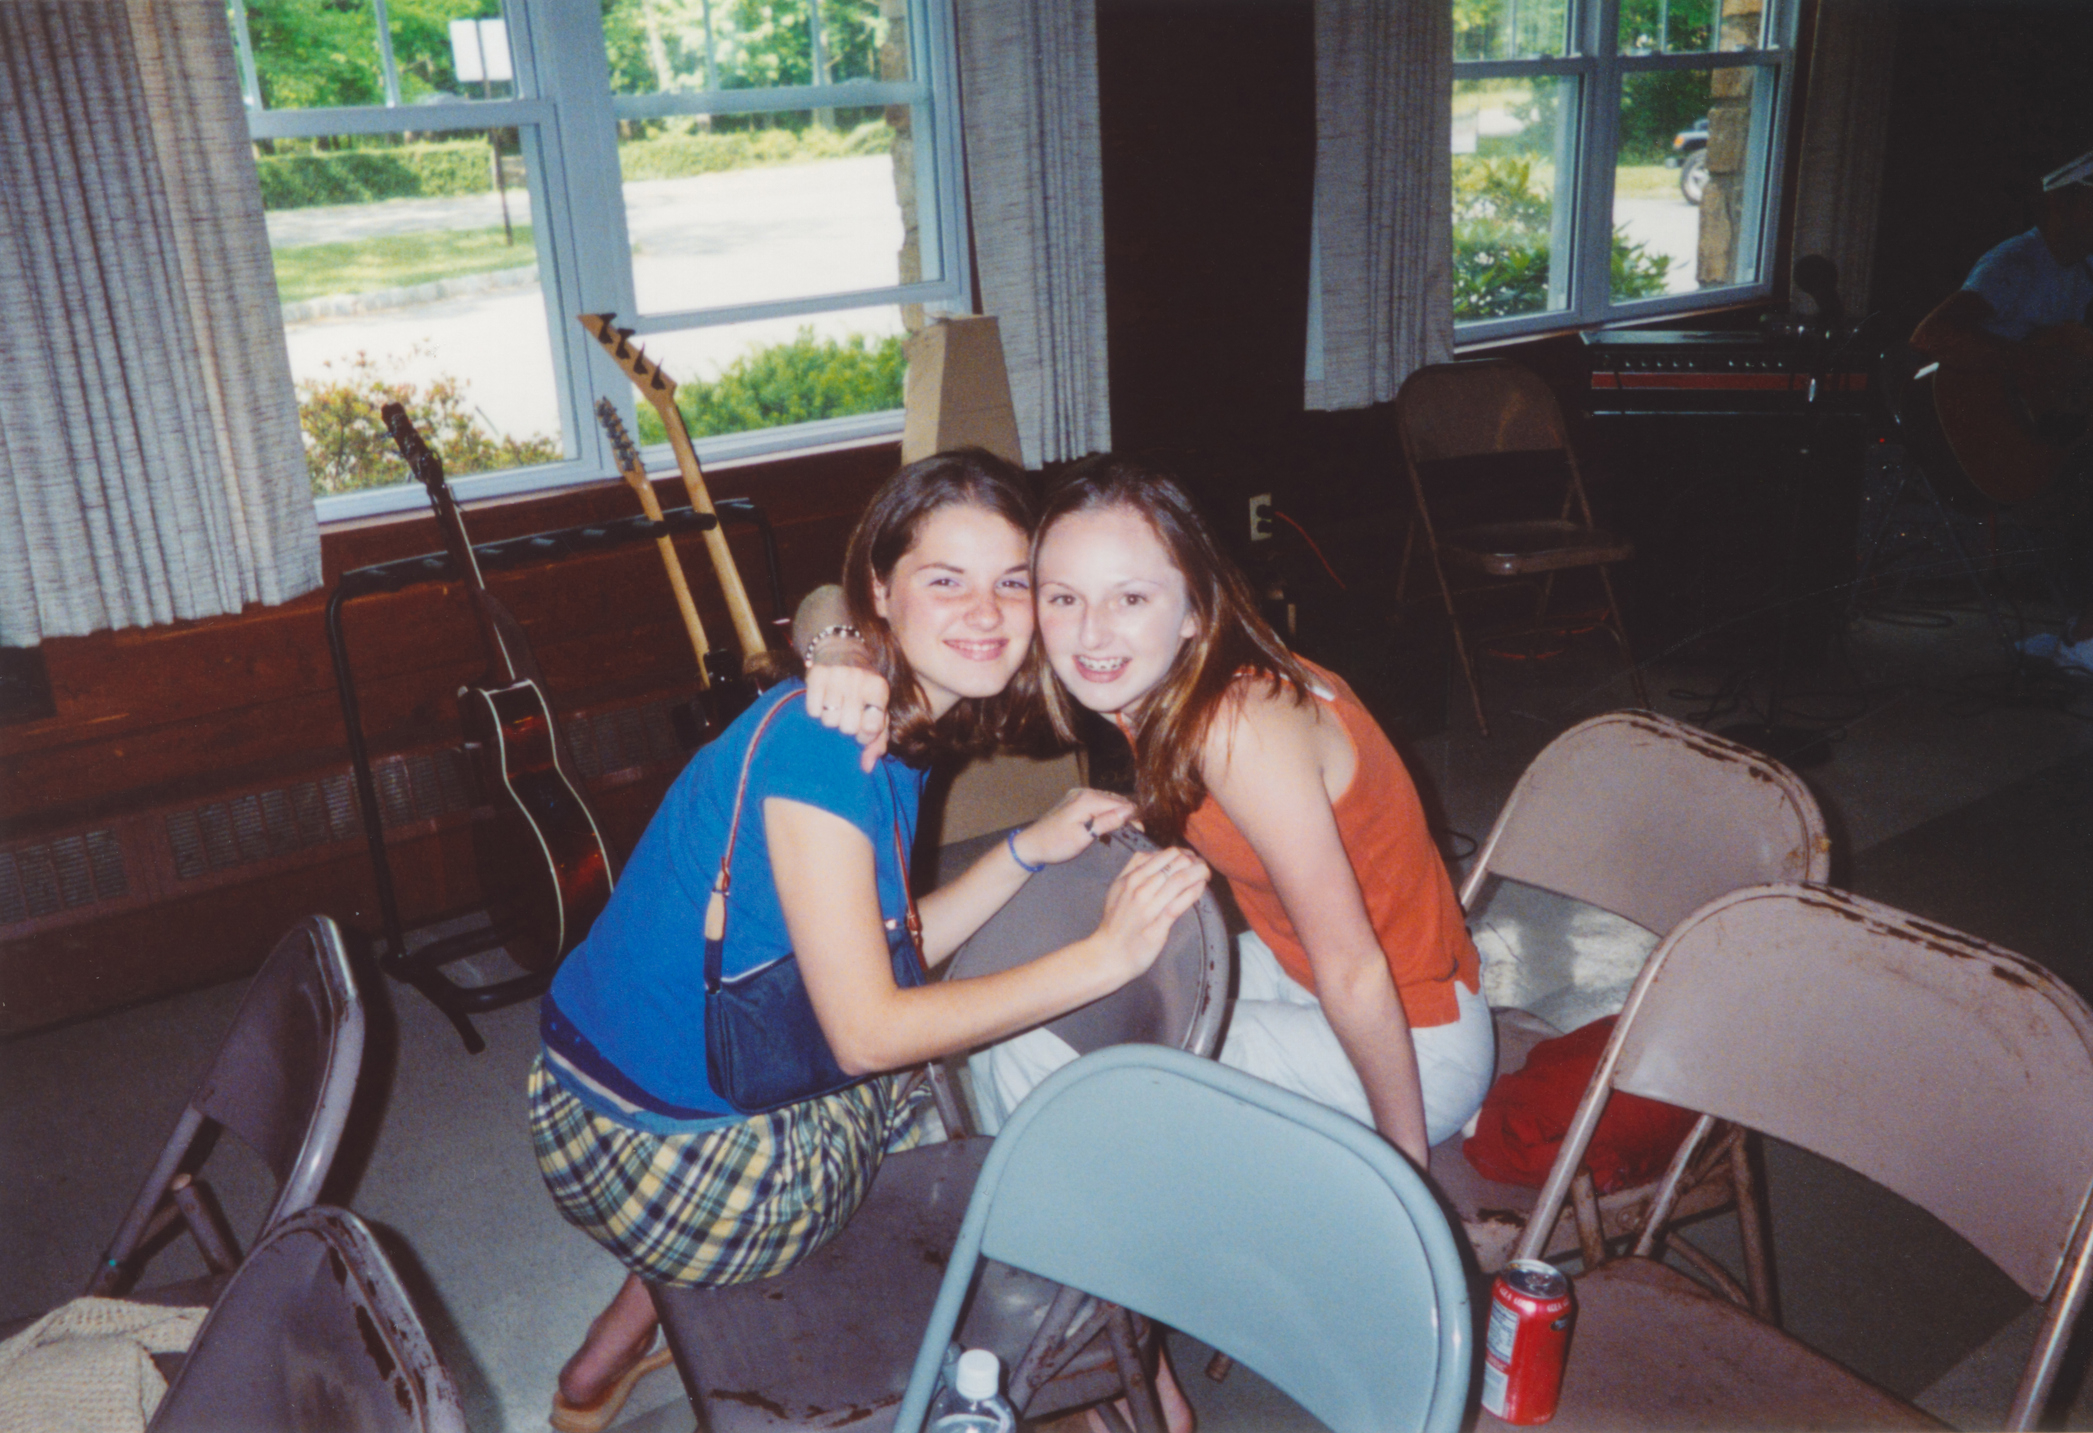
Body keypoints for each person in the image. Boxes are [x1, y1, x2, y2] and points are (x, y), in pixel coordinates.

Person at [530, 450, 1210, 1432]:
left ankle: (603, 1358)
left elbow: (883, 948)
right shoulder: (834, 747)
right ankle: (1092, 1394)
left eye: (1011, 582)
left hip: (600, 1096)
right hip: (675, 1165)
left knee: (925, 1066)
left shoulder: (871, 717)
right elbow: (864, 1032)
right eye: (946, 579)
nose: (984, 611)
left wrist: (1021, 847)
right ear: (883, 594)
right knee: (960, 1126)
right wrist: (1099, 959)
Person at [804, 457, 1492, 1168]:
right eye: (1063, 598)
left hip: (1411, 1041)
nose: (1092, 634)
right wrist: (840, 646)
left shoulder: (1235, 726)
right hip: (1301, 977)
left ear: (1194, 608)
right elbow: (830, 595)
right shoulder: (1162, 676)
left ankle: (1077, 1235)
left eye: (1130, 598)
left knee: (1086, 1074)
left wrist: (1407, 1169)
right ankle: (1051, 1206)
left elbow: (1354, 969)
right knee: (1032, 1023)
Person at [1911, 146, 2093, 667]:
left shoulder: (2083, 268)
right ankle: (2082, 641)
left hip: (2045, 427)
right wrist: (2027, 363)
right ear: (2062, 204)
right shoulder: (2013, 263)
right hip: (1993, 433)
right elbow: (1930, 335)